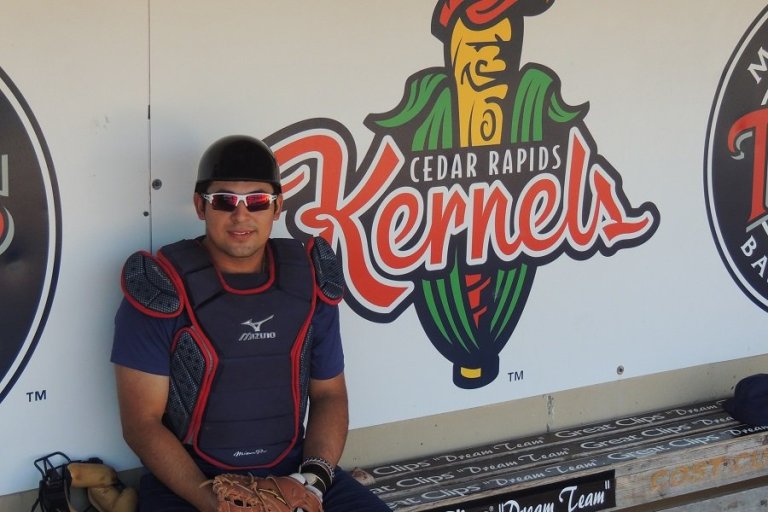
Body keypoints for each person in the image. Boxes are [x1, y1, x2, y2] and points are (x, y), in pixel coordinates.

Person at [111, 135, 390, 511]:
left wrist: (312, 483)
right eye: (224, 201)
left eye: (257, 200)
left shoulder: (309, 280)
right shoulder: (162, 289)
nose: (241, 215)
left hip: (293, 474)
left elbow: (329, 394)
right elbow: (142, 425)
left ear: (277, 206)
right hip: (192, 484)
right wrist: (218, 503)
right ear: (200, 206)